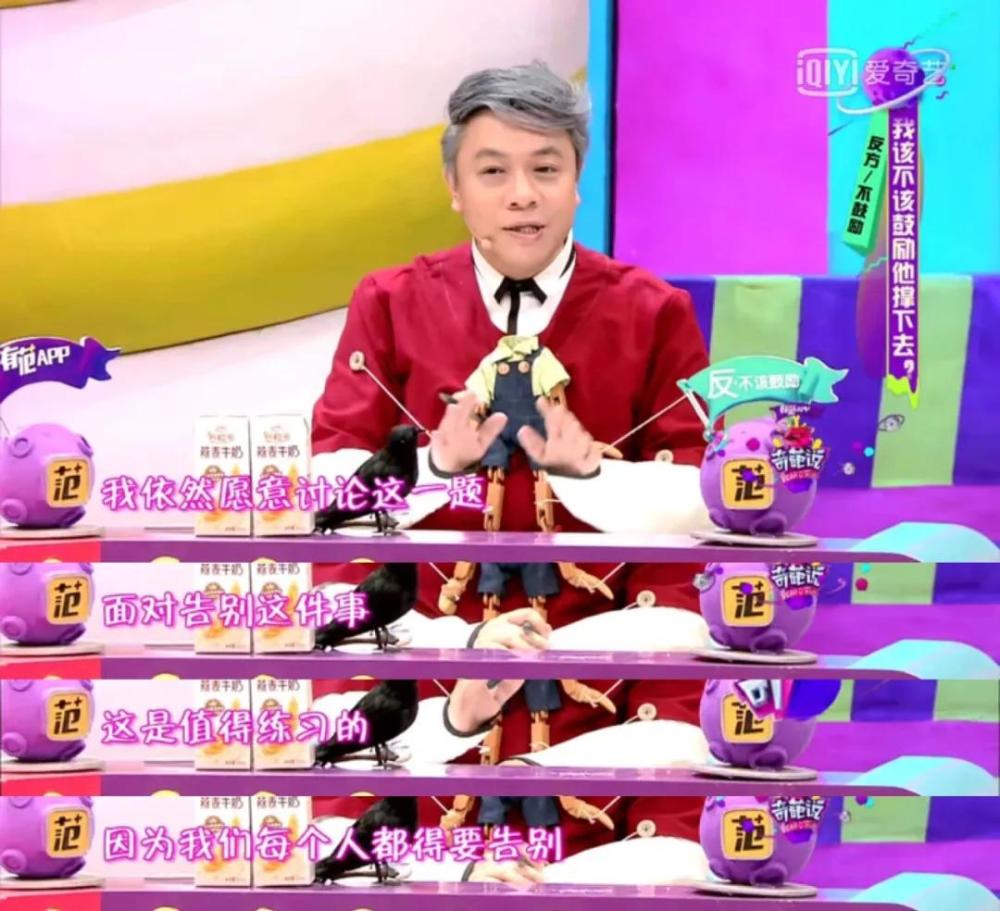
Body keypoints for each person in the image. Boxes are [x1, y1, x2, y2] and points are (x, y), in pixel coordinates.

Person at [309, 61, 713, 887]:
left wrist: (593, 476)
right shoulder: (390, 305)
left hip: (604, 691)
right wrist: (434, 466)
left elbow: (695, 532)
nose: (522, 195)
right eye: (493, 171)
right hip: (428, 674)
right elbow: (332, 514)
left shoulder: (653, 313)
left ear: (578, 181)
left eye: (546, 168)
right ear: (454, 186)